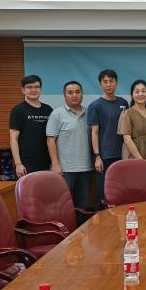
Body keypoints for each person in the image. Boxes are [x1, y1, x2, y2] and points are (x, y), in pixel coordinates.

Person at [46, 81, 94, 221]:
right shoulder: (57, 114)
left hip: (86, 168)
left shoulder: (89, 113)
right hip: (64, 169)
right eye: (70, 92)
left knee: (83, 207)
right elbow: (50, 140)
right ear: (64, 95)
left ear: (82, 94)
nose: (74, 95)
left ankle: (81, 233)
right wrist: (55, 164)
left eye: (78, 92)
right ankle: (63, 233)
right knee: (61, 206)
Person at [87, 69, 128, 209]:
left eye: (111, 81)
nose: (108, 84)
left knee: (121, 191)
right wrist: (97, 156)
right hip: (105, 156)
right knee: (104, 193)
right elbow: (94, 132)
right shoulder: (95, 105)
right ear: (100, 85)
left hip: (122, 155)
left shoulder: (123, 102)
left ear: (116, 83)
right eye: (105, 82)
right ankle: (103, 221)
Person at [9, 75, 53, 177]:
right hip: (26, 164)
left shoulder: (48, 109)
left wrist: (54, 162)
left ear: (41, 89)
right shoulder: (18, 110)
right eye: (29, 87)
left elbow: (53, 138)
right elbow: (13, 138)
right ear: (23, 90)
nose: (33, 90)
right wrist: (18, 164)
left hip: (47, 162)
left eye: (37, 87)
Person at [118, 79, 146, 161]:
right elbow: (127, 139)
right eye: (137, 92)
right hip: (132, 158)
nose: (140, 94)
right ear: (132, 95)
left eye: (143, 91)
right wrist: (141, 160)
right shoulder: (127, 113)